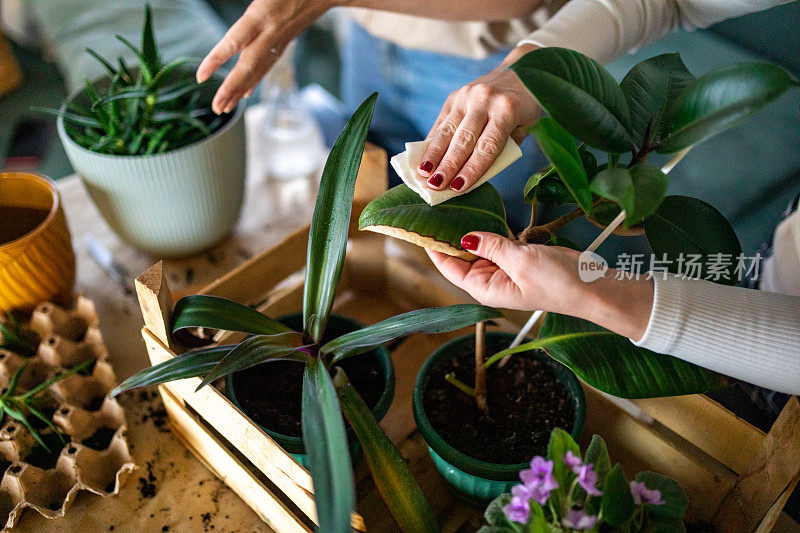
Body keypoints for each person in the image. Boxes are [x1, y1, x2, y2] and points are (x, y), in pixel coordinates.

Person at [197, 0, 799, 395]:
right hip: (380, 31)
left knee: (502, 233)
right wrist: (527, 71)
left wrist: (602, 294)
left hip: (476, 34)